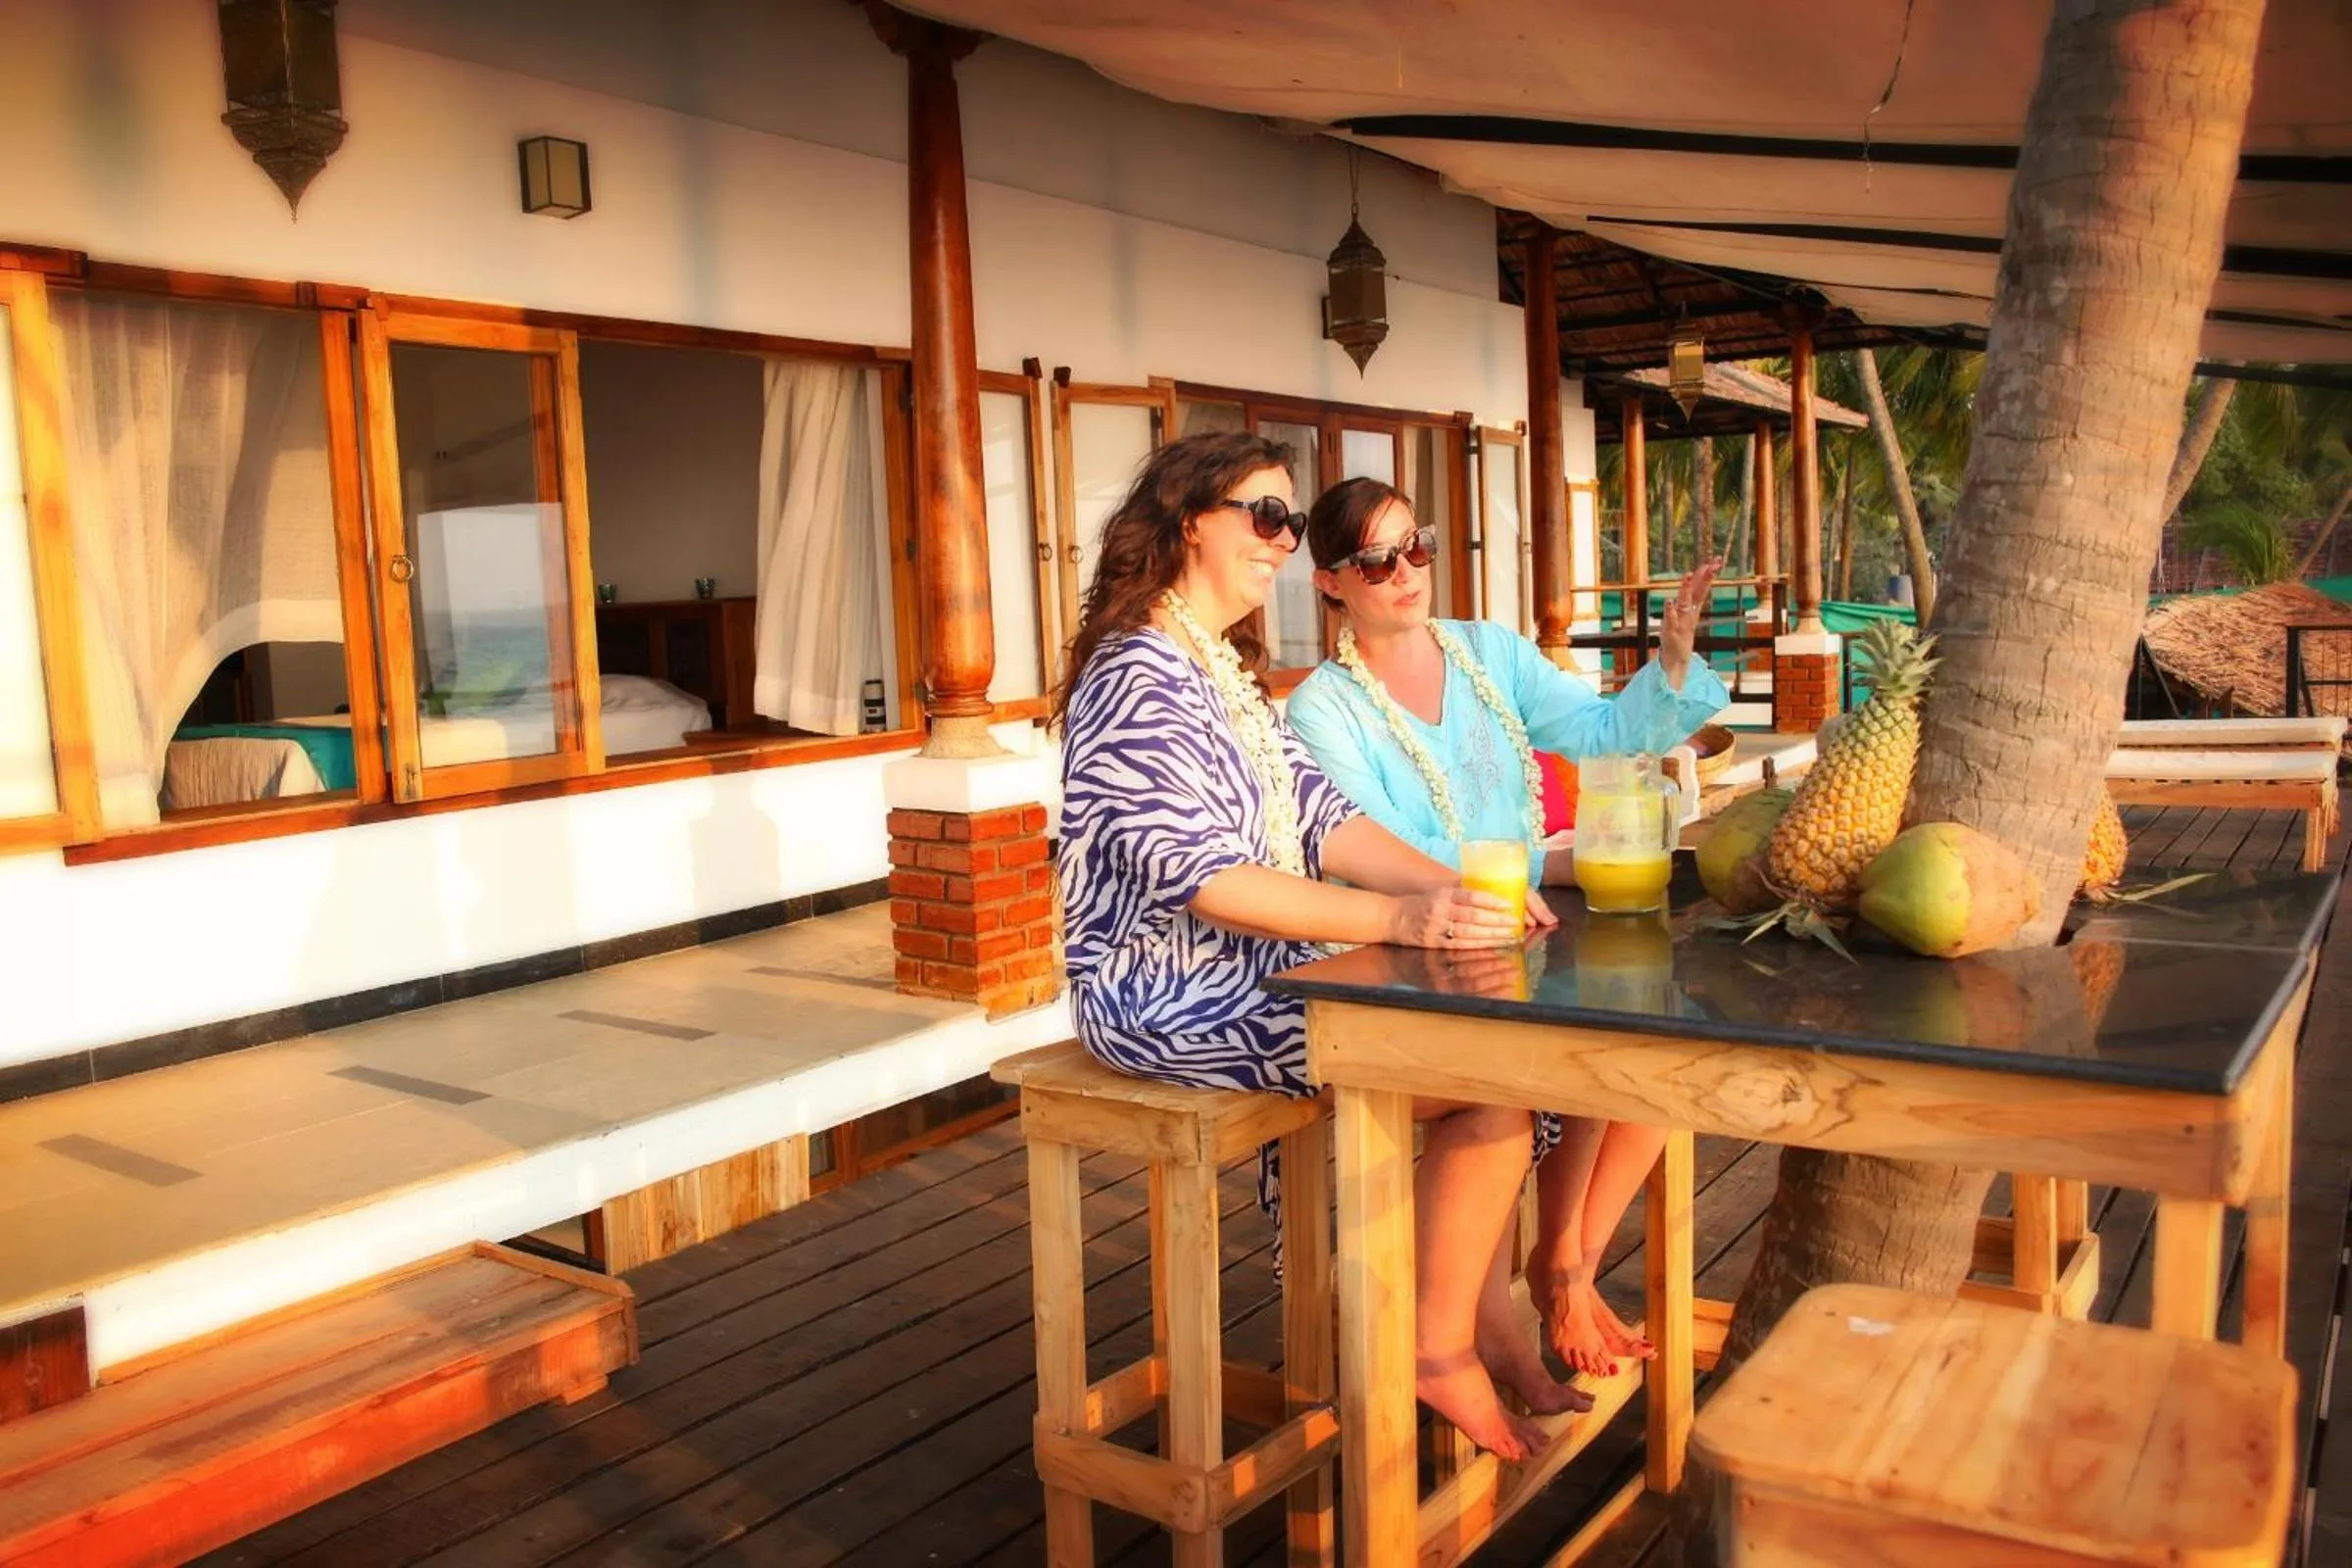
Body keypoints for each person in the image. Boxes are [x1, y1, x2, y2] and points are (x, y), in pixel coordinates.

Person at [1054, 432, 1577, 1459]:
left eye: (1290, 522)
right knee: (1494, 1069)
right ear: (1183, 521)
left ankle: (1478, 1322)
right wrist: (1399, 920)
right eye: (1264, 515)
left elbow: (1324, 813)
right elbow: (1198, 874)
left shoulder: (1225, 670)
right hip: (1164, 991)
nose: (1282, 541)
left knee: (1514, 1049)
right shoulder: (1138, 673)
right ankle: (1441, 1349)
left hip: (1259, 973)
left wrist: (1454, 885)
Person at [1285, 476, 1729, 1378]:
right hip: (1417, 952)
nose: (1406, 572)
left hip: (1527, 935)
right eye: (1377, 560)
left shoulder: (1489, 653)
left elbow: (1605, 732)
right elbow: (1389, 849)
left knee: (1660, 1058)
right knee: (1555, 1070)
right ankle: (1493, 1318)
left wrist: (1673, 658)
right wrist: (1545, 862)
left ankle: (1566, 1264)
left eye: (1419, 546)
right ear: (1331, 582)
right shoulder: (1322, 710)